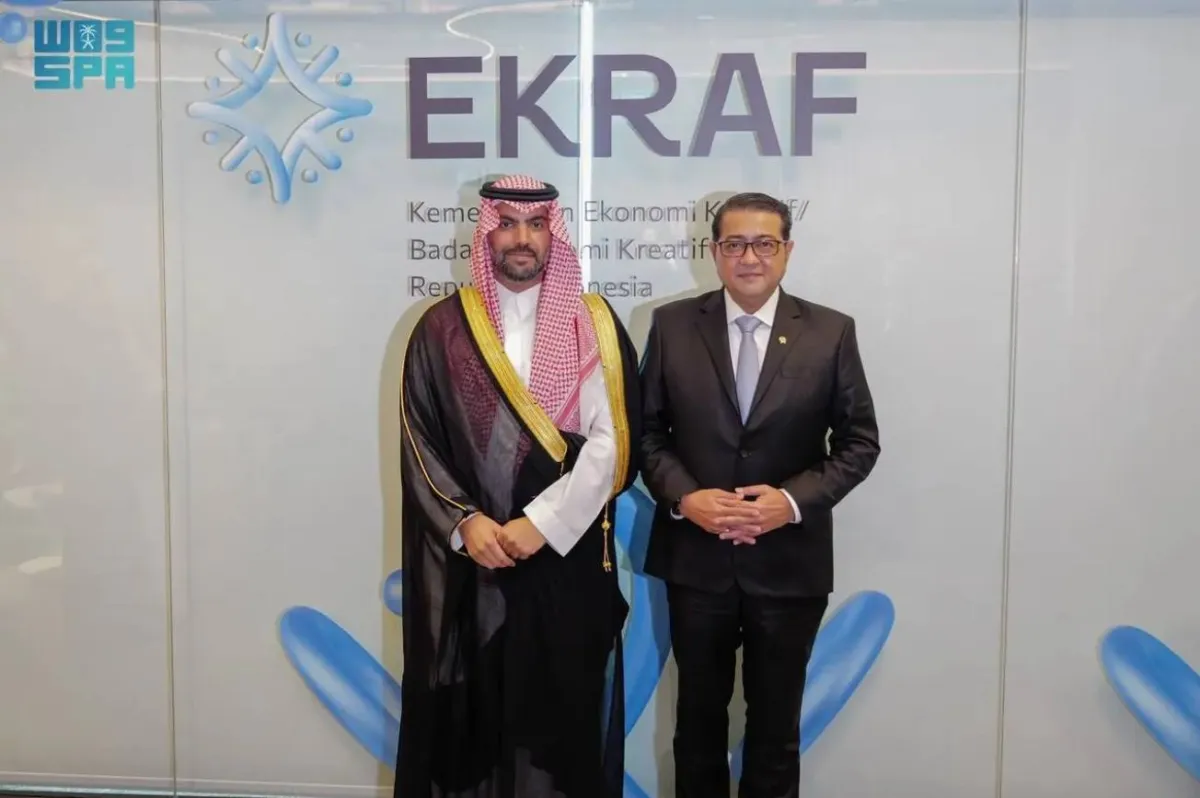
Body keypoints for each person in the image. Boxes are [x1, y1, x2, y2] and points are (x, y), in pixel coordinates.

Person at [394, 174, 641, 798]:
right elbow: (419, 438)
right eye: (506, 224)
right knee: (472, 726)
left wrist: (543, 525)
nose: (521, 238)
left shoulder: (594, 322)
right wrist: (465, 522)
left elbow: (614, 443)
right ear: (487, 234)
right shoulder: (442, 328)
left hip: (563, 560)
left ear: (554, 234)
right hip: (475, 564)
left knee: (560, 721)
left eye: (535, 224)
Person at [638, 192, 880, 798]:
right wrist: (686, 499)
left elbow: (859, 443)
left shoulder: (830, 332)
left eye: (764, 243)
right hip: (697, 562)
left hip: (789, 564)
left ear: (787, 250)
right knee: (697, 727)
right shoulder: (671, 326)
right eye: (735, 244)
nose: (750, 257)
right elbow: (645, 433)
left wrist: (790, 503)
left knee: (776, 733)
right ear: (714, 251)